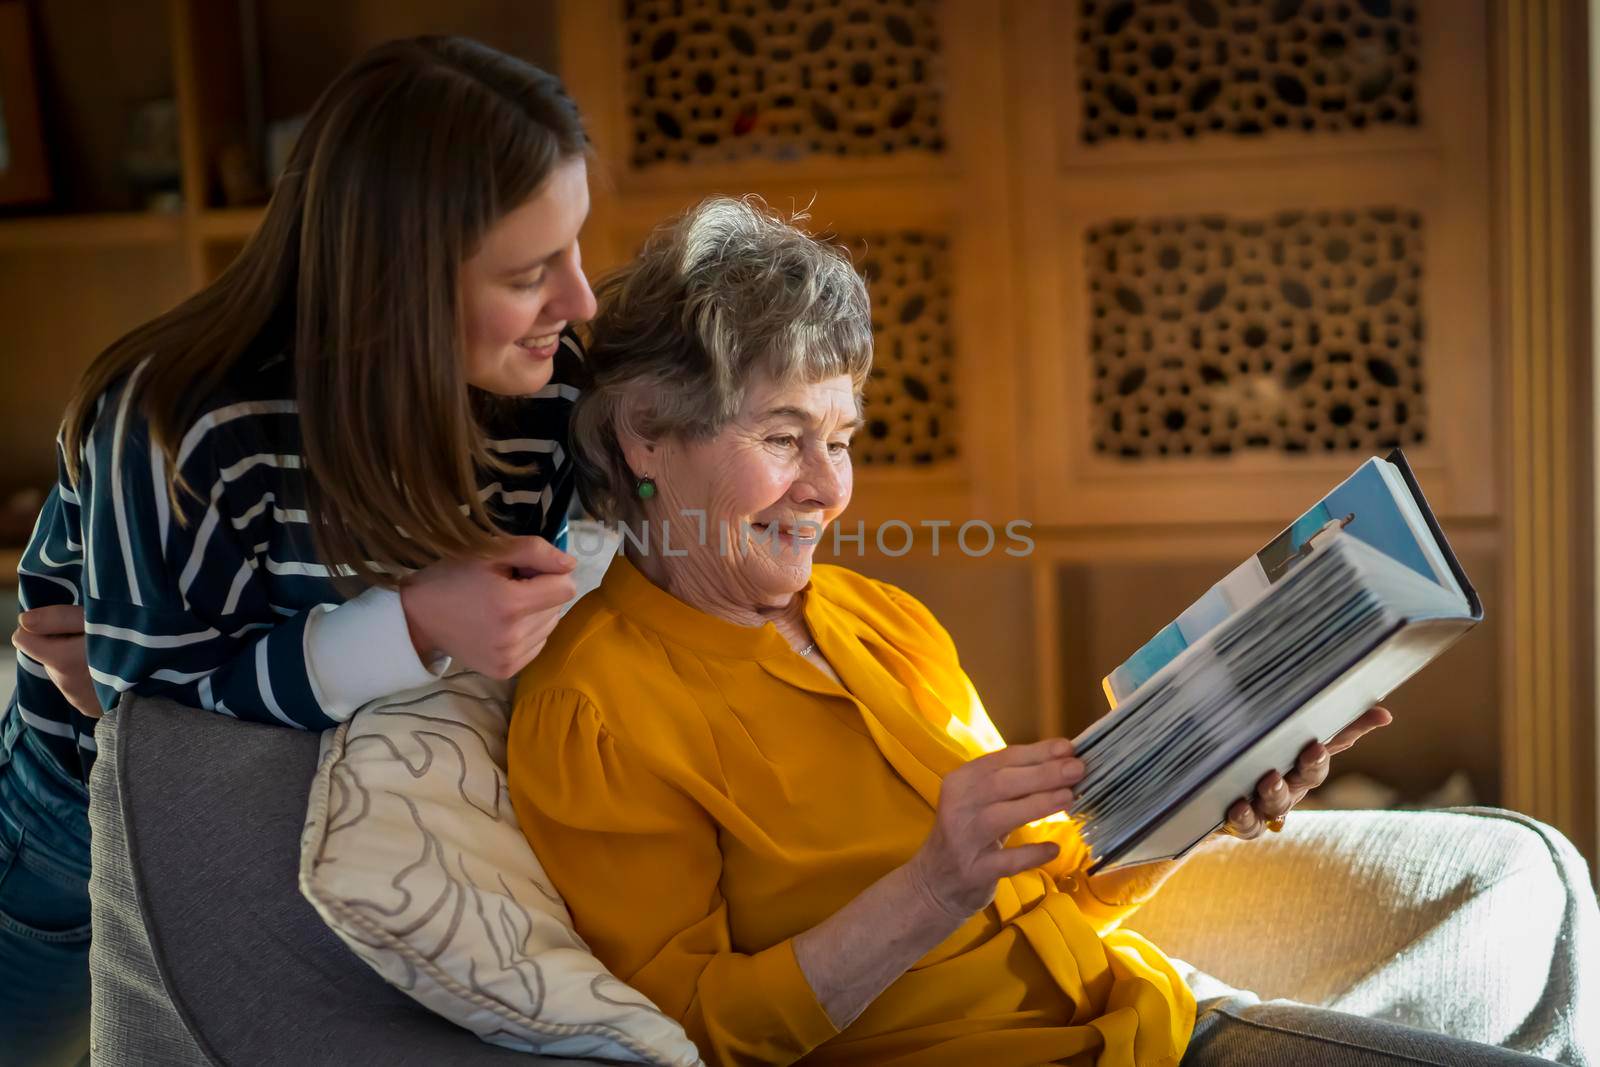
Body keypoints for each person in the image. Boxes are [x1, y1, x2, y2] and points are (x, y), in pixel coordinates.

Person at [506, 197, 1560, 1066]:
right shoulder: (593, 709)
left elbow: (1051, 891)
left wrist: (1205, 797)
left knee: (1520, 882)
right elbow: (682, 1032)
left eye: (840, 437)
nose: (827, 489)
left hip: (1138, 1013)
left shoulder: (877, 618)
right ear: (645, 431)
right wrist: (930, 886)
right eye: (783, 437)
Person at [2, 37, 594, 1066]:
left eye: (576, 249)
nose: (582, 302)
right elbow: (157, 735)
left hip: (375, 824)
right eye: (532, 271)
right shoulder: (177, 417)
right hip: (91, 837)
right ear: (397, 279)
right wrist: (409, 624)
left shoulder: (544, 389)